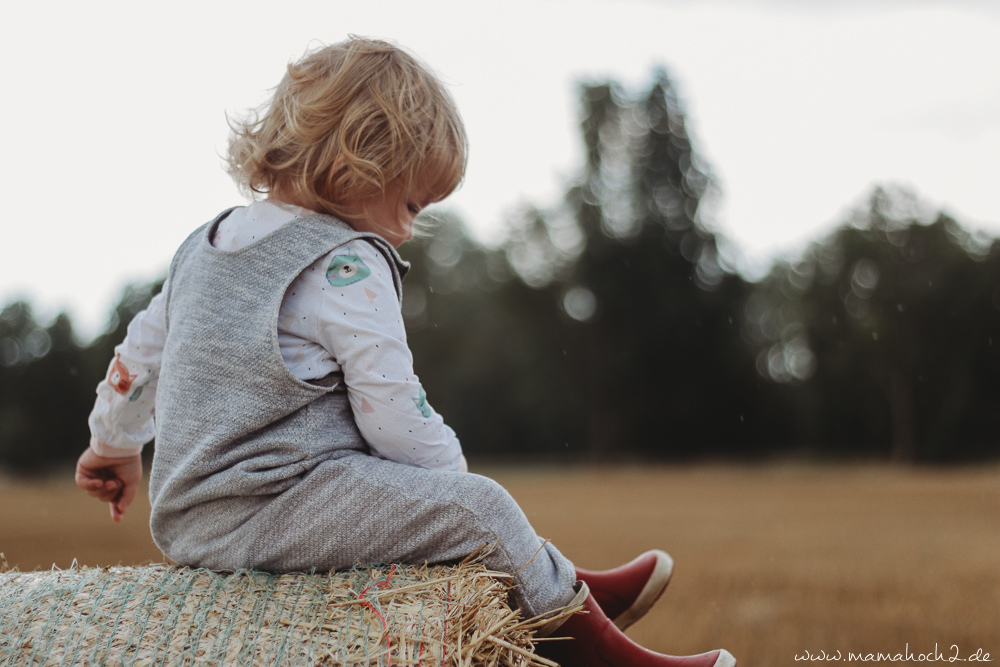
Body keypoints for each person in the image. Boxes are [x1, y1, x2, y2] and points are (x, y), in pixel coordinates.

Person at [74, 37, 735, 667]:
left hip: (188, 518)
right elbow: (393, 413)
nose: (412, 227)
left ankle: (553, 579)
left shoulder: (203, 246)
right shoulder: (346, 262)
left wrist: (113, 444)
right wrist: (455, 490)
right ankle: (583, 641)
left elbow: (139, 360)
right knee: (481, 506)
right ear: (364, 162)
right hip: (278, 504)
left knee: (480, 515)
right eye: (413, 201)